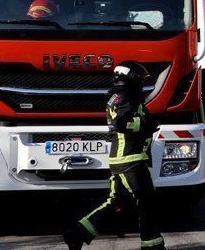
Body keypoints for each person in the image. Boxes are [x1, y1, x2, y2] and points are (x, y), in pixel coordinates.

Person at [64, 61, 164, 250]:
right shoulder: (126, 97)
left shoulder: (118, 96)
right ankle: (152, 245)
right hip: (130, 160)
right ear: (131, 79)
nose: (142, 84)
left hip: (123, 159)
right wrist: (146, 123)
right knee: (147, 203)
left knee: (117, 202)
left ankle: (77, 234)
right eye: (140, 80)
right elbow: (121, 124)